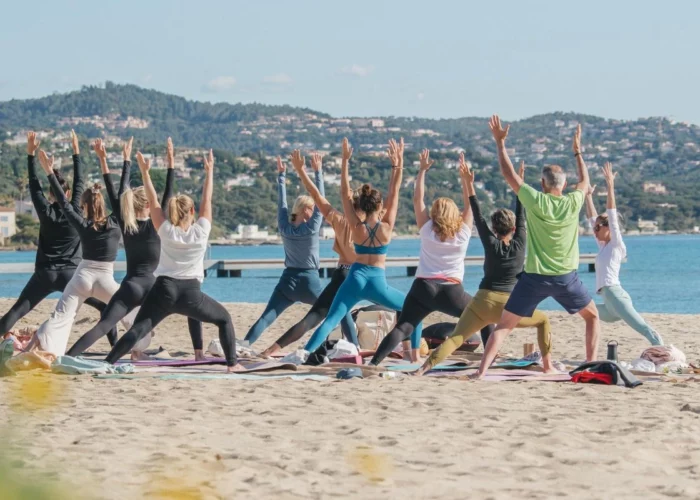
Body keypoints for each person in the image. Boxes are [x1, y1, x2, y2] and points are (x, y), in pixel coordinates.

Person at [469, 116, 600, 379]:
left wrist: (500, 144)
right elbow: (585, 182)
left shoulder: (536, 199)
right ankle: (590, 365)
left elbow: (509, 175)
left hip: (534, 278)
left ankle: (481, 373)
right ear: (563, 185)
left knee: (504, 326)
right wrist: (577, 152)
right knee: (592, 317)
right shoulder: (573, 201)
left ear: (542, 184)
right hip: (566, 278)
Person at [413, 157, 554, 375]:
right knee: (543, 321)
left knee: (457, 337)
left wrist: (469, 183)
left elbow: (476, 212)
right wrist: (520, 183)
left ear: (494, 229)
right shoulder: (520, 241)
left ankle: (422, 369)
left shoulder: (490, 242)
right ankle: (548, 366)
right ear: (515, 228)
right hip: (511, 305)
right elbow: (521, 211)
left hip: (482, 301)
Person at [66, 138, 204, 359]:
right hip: (155, 288)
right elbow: (168, 193)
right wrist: (170, 160)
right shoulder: (160, 224)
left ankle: (69, 357)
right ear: (150, 205)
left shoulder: (125, 221)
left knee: (104, 325)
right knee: (193, 306)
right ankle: (198, 353)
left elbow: (114, 190)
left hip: (130, 286)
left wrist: (109, 159)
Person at [105, 150, 241, 372]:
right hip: (191, 294)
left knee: (137, 331)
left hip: (163, 291)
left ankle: (107, 363)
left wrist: (145, 172)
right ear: (192, 211)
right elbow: (207, 199)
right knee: (224, 319)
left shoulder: (165, 229)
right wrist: (209, 172)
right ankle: (232, 365)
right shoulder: (201, 231)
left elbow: (153, 200)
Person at [369, 149, 493, 366]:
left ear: (435, 214)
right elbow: (470, 204)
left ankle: (374, 363)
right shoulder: (463, 231)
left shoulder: (427, 228)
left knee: (403, 327)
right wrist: (466, 180)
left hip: (423, 288)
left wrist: (422, 170)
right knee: (483, 318)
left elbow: (418, 198)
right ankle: (489, 360)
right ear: (455, 214)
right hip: (452, 291)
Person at [303, 138, 423, 360]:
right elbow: (394, 191)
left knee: (330, 319)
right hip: (377, 282)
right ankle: (414, 358)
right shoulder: (386, 228)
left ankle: (304, 354)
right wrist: (398, 163)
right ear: (380, 206)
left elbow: (344, 194)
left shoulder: (356, 227)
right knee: (415, 311)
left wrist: (345, 161)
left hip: (355, 277)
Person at [0, 131, 116, 342]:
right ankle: (115, 346)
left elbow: (34, 185)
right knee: (105, 307)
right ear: (69, 194)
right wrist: (76, 150)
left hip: (44, 275)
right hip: (71, 275)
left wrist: (30, 154)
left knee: (16, 311)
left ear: (50, 195)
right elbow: (80, 179)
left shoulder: (44, 210)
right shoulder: (75, 211)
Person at [259, 145, 361, 358]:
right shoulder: (372, 224)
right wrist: (397, 167)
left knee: (320, 317)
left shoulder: (340, 220)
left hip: (342, 273)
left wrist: (303, 170)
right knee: (343, 316)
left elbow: (319, 194)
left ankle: (275, 349)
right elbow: (391, 199)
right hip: (362, 275)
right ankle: (362, 349)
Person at [27, 146, 124, 356]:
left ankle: (48, 345)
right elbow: (119, 193)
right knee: (127, 311)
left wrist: (48, 171)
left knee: (61, 318)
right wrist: (115, 160)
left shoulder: (81, 223)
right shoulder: (115, 223)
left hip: (80, 278)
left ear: (83, 205)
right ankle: (136, 346)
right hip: (105, 280)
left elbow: (63, 201)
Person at [243, 150, 326, 346]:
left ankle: (244, 345)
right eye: (312, 208)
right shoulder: (312, 227)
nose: (315, 211)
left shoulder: (284, 226)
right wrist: (318, 173)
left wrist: (282, 176)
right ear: (306, 210)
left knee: (266, 318)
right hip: (309, 280)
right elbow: (321, 199)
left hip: (287, 281)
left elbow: (282, 204)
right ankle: (351, 345)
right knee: (335, 311)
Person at [585, 162, 663, 345]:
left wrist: (610, 185)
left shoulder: (616, 245)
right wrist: (588, 197)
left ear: (609, 229)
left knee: (645, 329)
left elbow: (611, 214)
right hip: (609, 303)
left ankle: (663, 352)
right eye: (594, 228)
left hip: (616, 296)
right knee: (584, 310)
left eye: (598, 227)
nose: (594, 230)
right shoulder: (604, 246)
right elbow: (591, 219)